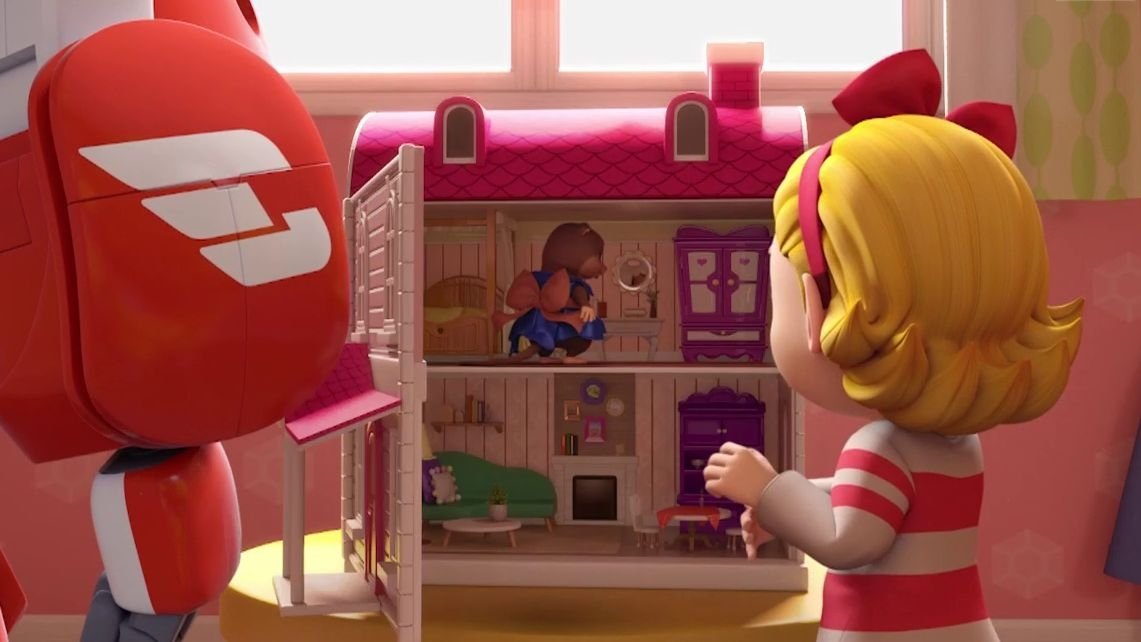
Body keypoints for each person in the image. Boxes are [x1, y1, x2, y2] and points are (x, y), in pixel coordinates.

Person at [703, 50, 1083, 641]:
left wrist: (768, 488)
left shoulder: (880, 446)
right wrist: (785, 508)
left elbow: (847, 541)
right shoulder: (956, 440)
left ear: (816, 310)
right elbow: (882, 503)